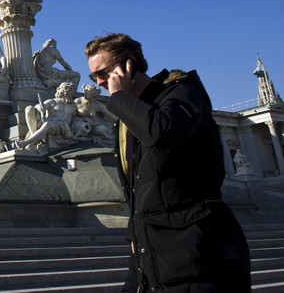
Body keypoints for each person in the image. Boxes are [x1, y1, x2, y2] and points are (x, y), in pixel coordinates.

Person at [84, 33, 250, 292]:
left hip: (196, 249)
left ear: (130, 65)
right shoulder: (128, 116)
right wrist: (134, 233)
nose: (100, 82)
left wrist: (119, 98)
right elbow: (139, 186)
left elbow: (162, 132)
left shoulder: (181, 93)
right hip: (149, 252)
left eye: (103, 73)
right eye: (94, 76)